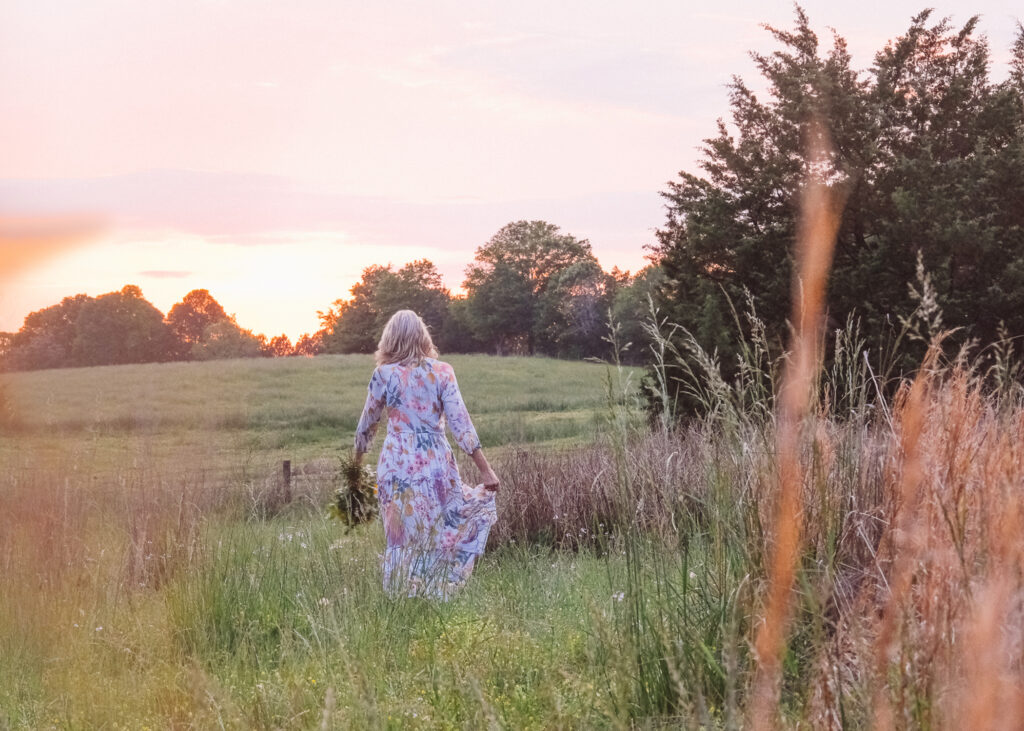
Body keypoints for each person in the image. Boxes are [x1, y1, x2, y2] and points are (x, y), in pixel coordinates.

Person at [354, 309, 499, 599]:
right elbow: (461, 423)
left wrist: (355, 469)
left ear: (389, 340)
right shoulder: (442, 371)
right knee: (438, 532)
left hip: (395, 466)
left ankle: (401, 599)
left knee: (400, 538)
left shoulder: (383, 375)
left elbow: (366, 426)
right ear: (423, 337)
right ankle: (437, 594)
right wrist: (485, 469)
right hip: (435, 465)